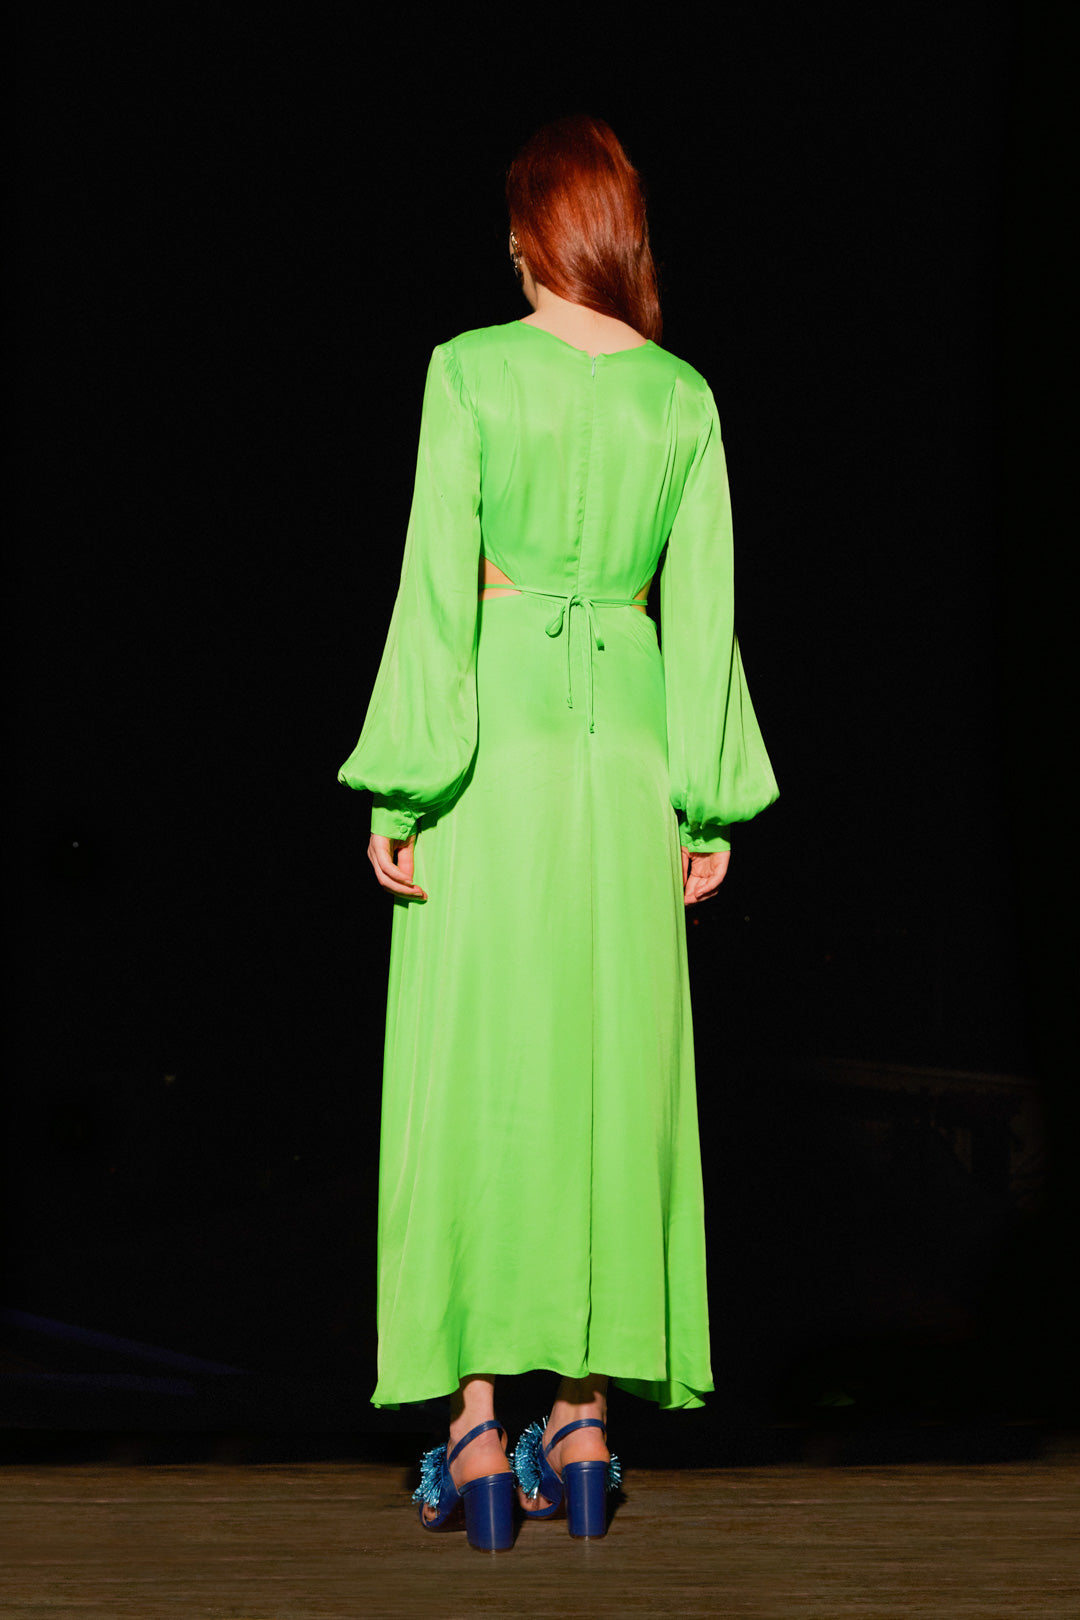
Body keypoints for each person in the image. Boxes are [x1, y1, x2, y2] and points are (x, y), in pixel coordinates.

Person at [337, 113, 779, 1549]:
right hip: (632, 754)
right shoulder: (682, 397)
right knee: (609, 1072)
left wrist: (404, 785)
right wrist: (707, 796)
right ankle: (582, 1422)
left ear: (532, 233)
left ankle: (477, 1431)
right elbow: (705, 613)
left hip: (496, 755)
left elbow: (435, 591)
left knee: (475, 1071)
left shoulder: (468, 371)